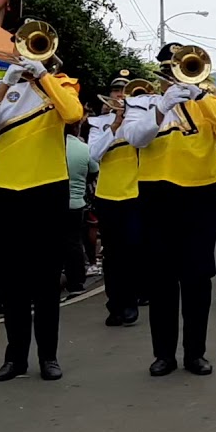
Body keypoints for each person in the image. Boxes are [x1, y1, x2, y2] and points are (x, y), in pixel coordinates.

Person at [119, 44, 216, 377]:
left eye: (182, 69)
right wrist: (161, 109)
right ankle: (164, 354)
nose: (178, 76)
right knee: (161, 278)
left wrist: (199, 97)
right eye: (172, 70)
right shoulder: (141, 103)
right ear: (161, 74)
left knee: (198, 276)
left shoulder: (208, 103)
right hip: (157, 192)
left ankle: (195, 353)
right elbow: (135, 138)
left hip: (200, 193)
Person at [0, 59, 84, 382]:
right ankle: (15, 357)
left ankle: (49, 356)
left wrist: (43, 75)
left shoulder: (60, 85)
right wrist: (8, 80)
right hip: (6, 190)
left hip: (48, 188)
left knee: (47, 278)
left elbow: (73, 115)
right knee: (11, 279)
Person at [88, 78, 141, 327]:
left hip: (136, 193)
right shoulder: (98, 123)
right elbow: (93, 155)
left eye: (125, 91)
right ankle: (115, 304)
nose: (120, 95)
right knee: (112, 254)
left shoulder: (141, 122)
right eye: (117, 91)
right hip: (108, 194)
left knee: (133, 250)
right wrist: (116, 123)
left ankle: (131, 301)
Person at [63, 120, 98, 300]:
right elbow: (94, 169)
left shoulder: (54, 148)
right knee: (74, 242)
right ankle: (76, 282)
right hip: (76, 202)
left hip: (54, 202)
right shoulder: (83, 148)